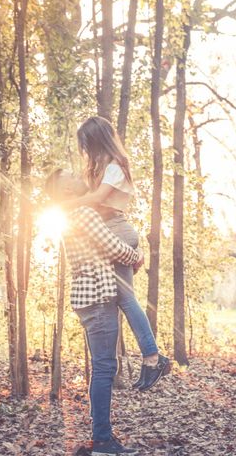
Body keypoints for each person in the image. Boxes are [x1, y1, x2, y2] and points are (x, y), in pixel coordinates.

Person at [59, 116, 170, 391]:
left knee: (126, 300)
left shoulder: (116, 166)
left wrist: (65, 204)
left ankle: (154, 358)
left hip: (117, 229)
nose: (85, 151)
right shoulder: (104, 167)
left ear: (97, 140)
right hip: (113, 229)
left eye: (87, 144)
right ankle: (153, 358)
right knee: (124, 299)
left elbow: (97, 199)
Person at [46, 169, 141, 455]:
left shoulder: (71, 215)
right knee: (104, 368)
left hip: (90, 300)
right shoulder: (84, 214)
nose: (78, 176)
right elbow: (114, 248)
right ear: (65, 191)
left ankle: (102, 439)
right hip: (97, 299)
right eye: (70, 176)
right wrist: (138, 256)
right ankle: (102, 442)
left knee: (103, 367)